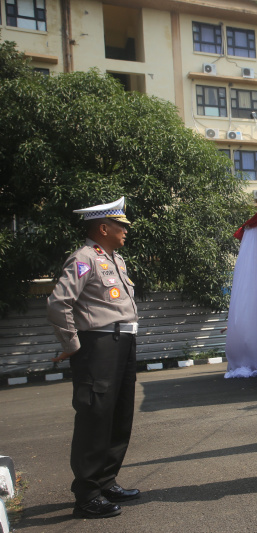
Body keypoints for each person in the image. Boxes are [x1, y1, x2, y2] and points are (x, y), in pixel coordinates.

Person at [47, 197, 140, 519]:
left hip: (124, 342)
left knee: (119, 413)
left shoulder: (116, 259)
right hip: (97, 344)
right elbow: (59, 303)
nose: (126, 231)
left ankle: (106, 481)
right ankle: (86, 494)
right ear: (104, 227)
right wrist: (72, 344)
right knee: (95, 415)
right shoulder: (83, 259)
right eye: (121, 226)